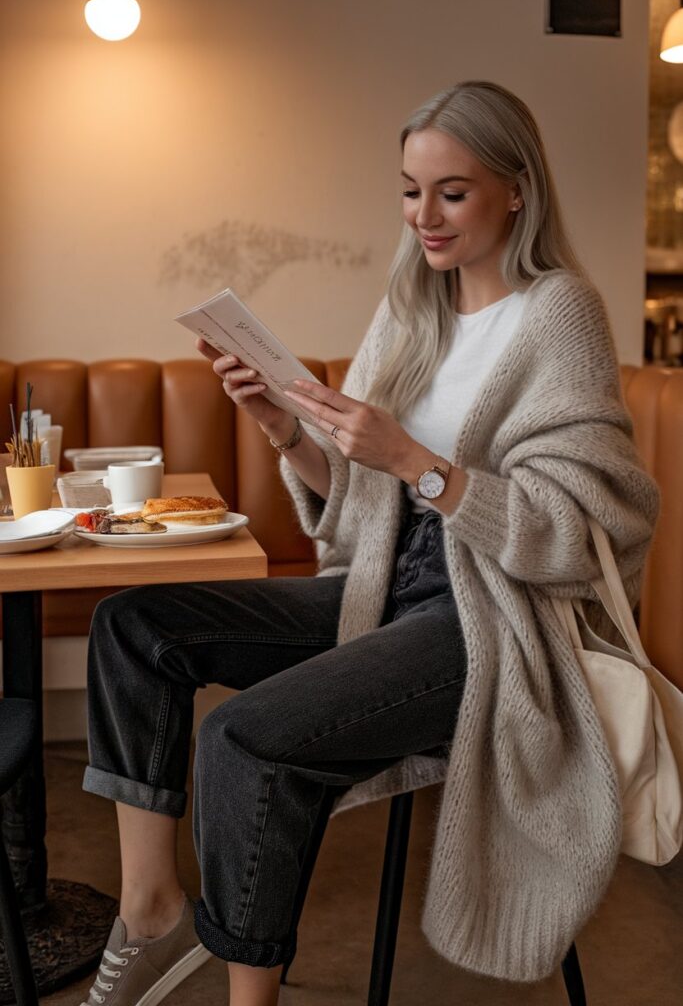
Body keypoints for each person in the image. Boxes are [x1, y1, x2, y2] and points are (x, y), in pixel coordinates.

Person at [80, 80, 659, 1006]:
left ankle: (246, 998)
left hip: (493, 618)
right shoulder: (409, 309)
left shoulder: (560, 315)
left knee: (242, 739)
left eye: (451, 192)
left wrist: (419, 463)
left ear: (517, 189)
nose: (421, 216)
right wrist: (278, 425)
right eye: (408, 189)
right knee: (134, 623)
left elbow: (579, 533)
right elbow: (356, 510)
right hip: (384, 585)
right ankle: (151, 915)